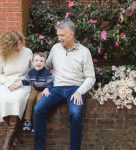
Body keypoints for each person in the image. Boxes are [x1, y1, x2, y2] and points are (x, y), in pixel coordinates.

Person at [34, 20, 96, 150]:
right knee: (38, 109)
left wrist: (80, 92)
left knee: (75, 114)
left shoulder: (84, 52)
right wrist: (46, 85)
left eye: (62, 35)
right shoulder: (55, 48)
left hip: (75, 89)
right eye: (58, 35)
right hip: (56, 88)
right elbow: (46, 67)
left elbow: (91, 77)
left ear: (71, 34)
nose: (59, 38)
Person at [0, 31, 33, 150]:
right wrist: (8, 84)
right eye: (15, 45)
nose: (19, 47)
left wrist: (21, 83)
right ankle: (12, 137)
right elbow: (0, 74)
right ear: (8, 46)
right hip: (6, 83)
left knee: (16, 99)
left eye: (20, 43)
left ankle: (6, 145)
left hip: (22, 83)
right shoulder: (3, 54)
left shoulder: (28, 52)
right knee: (2, 100)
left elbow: (33, 72)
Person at [15, 52, 53, 131]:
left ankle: (37, 123)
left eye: (41, 61)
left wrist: (47, 89)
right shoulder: (31, 72)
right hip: (35, 89)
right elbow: (27, 81)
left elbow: (50, 84)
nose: (39, 63)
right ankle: (27, 121)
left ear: (45, 63)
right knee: (30, 100)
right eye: (36, 60)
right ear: (32, 62)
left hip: (43, 89)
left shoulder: (47, 73)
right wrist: (20, 82)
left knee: (39, 102)